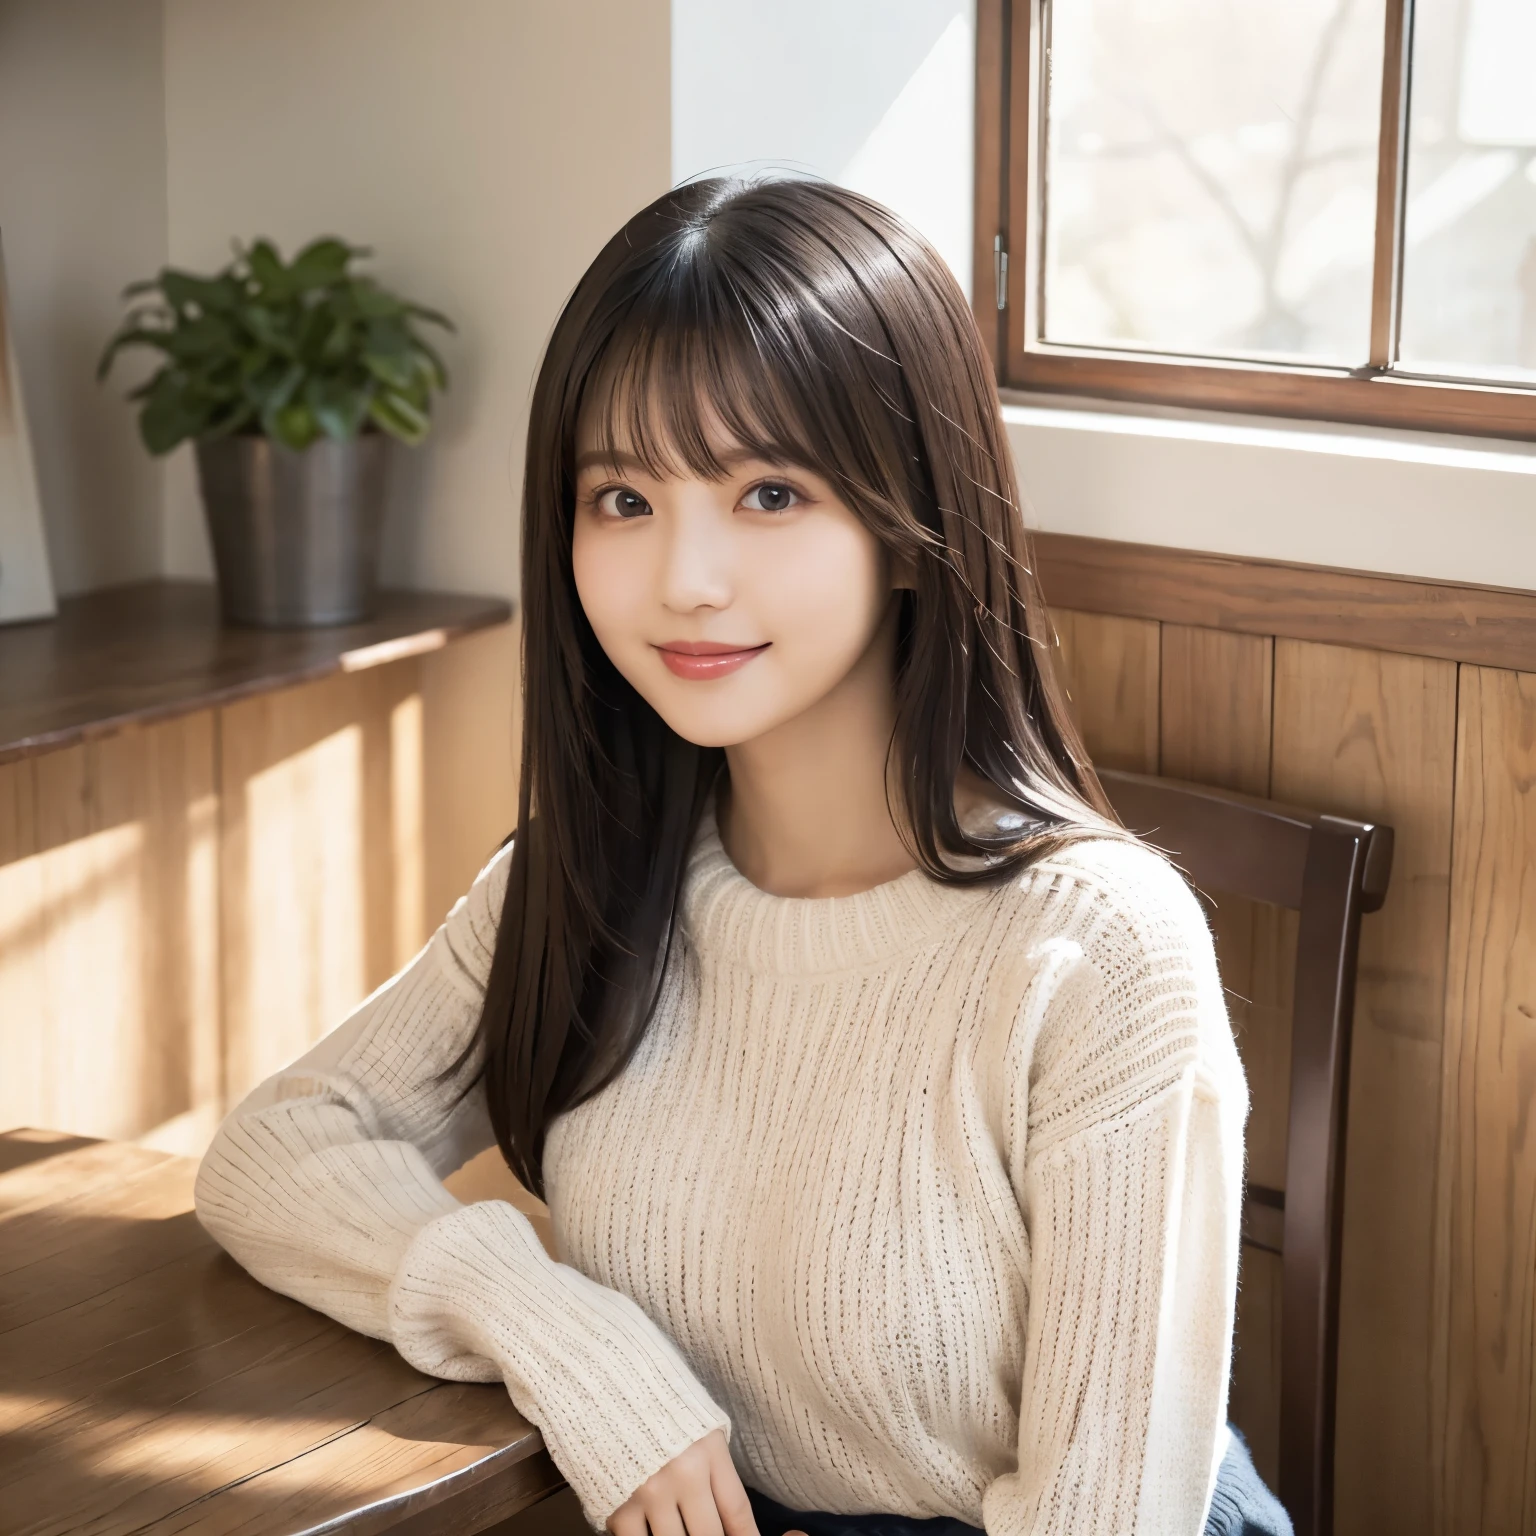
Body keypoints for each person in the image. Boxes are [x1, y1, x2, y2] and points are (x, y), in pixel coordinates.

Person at [194, 178, 1289, 1536]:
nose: (685, 579)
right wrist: (555, 1327)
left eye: (769, 492)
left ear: (908, 524)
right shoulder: (584, 882)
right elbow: (271, 1152)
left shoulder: (1096, 947)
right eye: (623, 498)